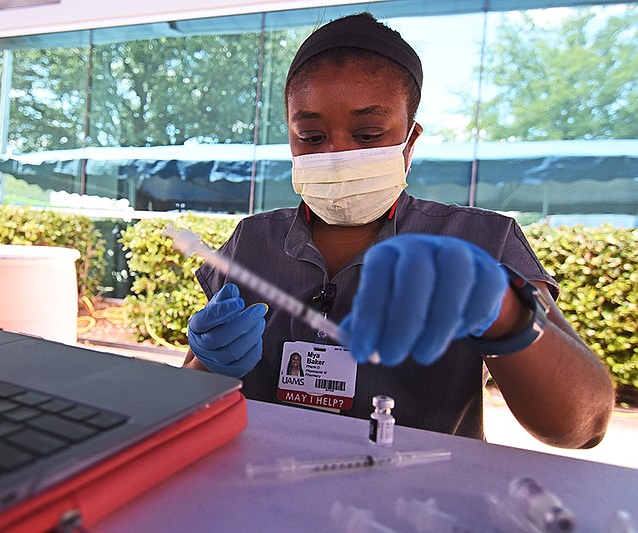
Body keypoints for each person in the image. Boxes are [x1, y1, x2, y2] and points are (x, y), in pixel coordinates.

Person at [183, 13, 613, 448]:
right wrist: (207, 363)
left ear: (410, 139)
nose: (337, 155)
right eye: (311, 136)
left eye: (368, 134)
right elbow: (186, 397)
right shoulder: (252, 241)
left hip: (416, 503)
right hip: (256, 489)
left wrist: (506, 315)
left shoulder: (479, 240)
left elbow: (584, 428)